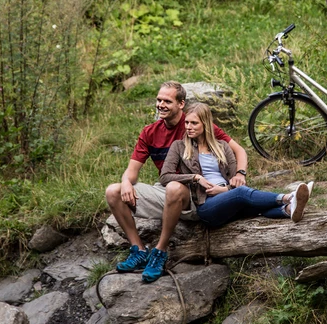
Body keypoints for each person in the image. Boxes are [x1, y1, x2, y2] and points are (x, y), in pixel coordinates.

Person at [104, 81, 249, 283]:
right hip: (168, 188)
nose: (161, 105)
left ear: (181, 104)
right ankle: (139, 251)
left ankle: (160, 252)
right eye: (159, 100)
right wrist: (126, 181)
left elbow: (239, 150)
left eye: (167, 101)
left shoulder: (194, 123)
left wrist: (240, 173)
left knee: (173, 187)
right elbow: (132, 171)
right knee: (113, 192)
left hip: (197, 194)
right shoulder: (150, 132)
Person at [160, 102, 312, 230]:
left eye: (194, 123)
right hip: (207, 205)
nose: (188, 127)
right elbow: (165, 176)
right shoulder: (179, 146)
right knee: (242, 194)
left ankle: (289, 209)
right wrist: (195, 177)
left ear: (205, 124)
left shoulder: (222, 146)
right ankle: (288, 197)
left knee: (252, 204)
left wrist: (224, 190)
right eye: (187, 122)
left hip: (229, 196)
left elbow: (236, 180)